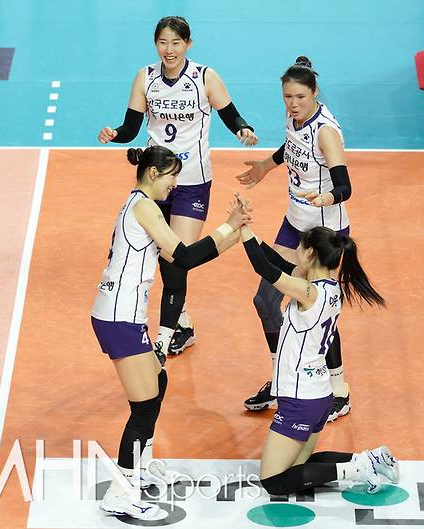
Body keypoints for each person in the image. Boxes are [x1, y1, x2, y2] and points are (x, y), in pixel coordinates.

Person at [91, 146, 250, 520]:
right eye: (171, 175)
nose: (175, 184)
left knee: (158, 381)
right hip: (118, 318)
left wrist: (234, 233)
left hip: (123, 315)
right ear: (152, 173)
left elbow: (184, 259)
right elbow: (185, 256)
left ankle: (143, 466)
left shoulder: (140, 205)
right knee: (144, 406)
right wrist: (228, 226)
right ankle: (121, 491)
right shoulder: (145, 208)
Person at [98, 16, 258, 359]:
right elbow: (131, 127)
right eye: (163, 43)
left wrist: (243, 129)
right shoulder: (145, 78)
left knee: (176, 257)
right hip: (156, 181)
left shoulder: (204, 78)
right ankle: (182, 323)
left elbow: (231, 114)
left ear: (188, 44)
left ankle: (165, 338)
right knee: (163, 256)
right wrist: (115, 134)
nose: (169, 50)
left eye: (176, 43)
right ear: (155, 44)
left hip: (192, 182)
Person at [238, 215, 397, 496]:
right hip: (319, 395)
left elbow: (265, 268)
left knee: (274, 481)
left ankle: (357, 468)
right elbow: (279, 263)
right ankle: (371, 459)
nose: (295, 252)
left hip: (300, 398)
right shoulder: (329, 288)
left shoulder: (308, 291)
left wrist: (241, 235)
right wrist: (248, 230)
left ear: (310, 253)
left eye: (299, 247)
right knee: (298, 467)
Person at [237, 56, 353, 421]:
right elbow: (291, 147)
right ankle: (280, 379)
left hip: (323, 233)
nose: (293, 103)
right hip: (293, 225)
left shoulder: (326, 132)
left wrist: (327, 197)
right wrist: (265, 167)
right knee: (265, 300)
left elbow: (345, 186)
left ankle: (339, 390)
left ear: (315, 93)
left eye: (300, 97)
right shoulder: (295, 118)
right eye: (287, 96)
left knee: (320, 311)